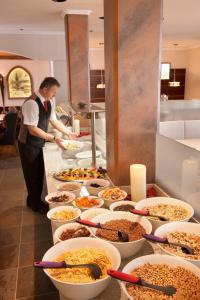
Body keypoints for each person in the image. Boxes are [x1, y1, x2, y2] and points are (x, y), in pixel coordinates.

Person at [18, 77, 77, 213]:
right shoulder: (31, 103)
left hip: (38, 142)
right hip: (28, 144)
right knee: (32, 174)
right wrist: (54, 137)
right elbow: (32, 129)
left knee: (38, 173)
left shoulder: (48, 101)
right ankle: (35, 204)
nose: (55, 95)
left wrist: (68, 133)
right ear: (45, 89)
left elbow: (54, 121)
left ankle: (32, 199)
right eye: (53, 92)